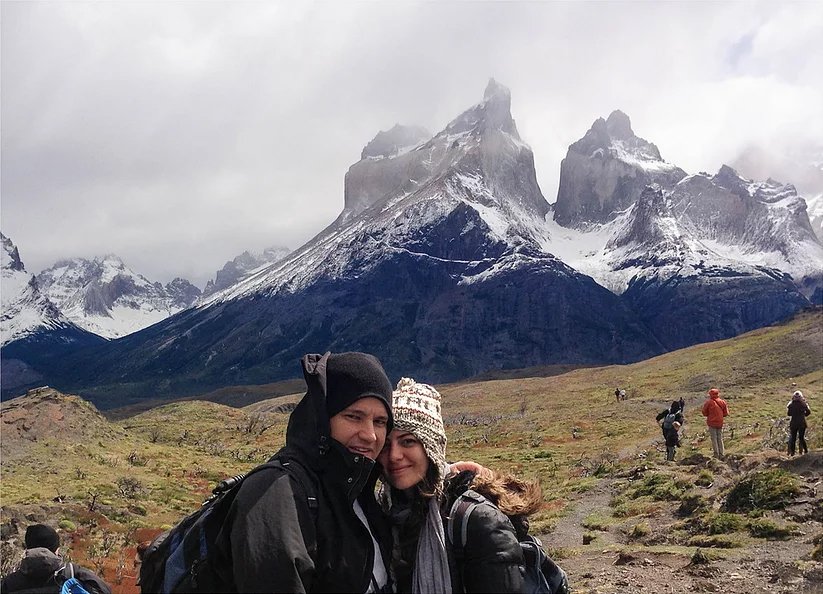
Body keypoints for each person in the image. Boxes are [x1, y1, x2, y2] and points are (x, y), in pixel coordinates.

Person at [219, 352, 395, 593]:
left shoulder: (360, 491)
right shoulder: (277, 493)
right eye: (354, 416)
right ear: (321, 418)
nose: (370, 435)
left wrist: (441, 479)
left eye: (380, 422)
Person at [377, 378, 542, 593]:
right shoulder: (386, 513)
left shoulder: (476, 520)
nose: (394, 456)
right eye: (386, 444)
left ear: (431, 448)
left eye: (408, 441)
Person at [0, 524, 111, 593]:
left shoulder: (8, 583)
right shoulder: (74, 573)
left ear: (28, 547)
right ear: (56, 548)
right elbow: (105, 590)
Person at [701, 387, 729, 459]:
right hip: (720, 422)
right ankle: (721, 453)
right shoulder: (722, 402)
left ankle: (716, 454)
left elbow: (704, 412)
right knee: (720, 438)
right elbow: (726, 413)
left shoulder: (709, 402)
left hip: (712, 422)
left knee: (714, 438)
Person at [787, 390, 811, 456]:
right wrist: (803, 415)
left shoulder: (791, 404)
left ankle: (792, 453)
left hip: (793, 423)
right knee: (801, 438)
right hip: (802, 423)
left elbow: (789, 414)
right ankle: (805, 451)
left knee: (793, 438)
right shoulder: (804, 404)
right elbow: (808, 412)